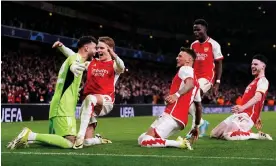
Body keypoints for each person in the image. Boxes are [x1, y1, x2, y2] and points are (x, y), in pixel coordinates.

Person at [7, 36, 98, 149]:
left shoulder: (74, 58)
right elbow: (74, 64)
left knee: (54, 141)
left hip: (58, 106)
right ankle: (30, 135)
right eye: (95, 48)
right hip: (64, 108)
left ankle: (29, 140)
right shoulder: (76, 59)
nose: (96, 51)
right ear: (86, 48)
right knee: (70, 142)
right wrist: (74, 68)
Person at [57, 36, 125, 149]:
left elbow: (122, 66)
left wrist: (113, 54)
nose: (98, 50)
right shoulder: (91, 63)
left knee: (90, 98)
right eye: (97, 48)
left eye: (102, 48)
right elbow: (76, 57)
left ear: (110, 49)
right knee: (87, 142)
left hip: (106, 101)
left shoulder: (114, 64)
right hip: (89, 104)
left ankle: (80, 136)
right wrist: (62, 47)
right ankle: (98, 139)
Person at [137, 47, 202, 150]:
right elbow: (198, 107)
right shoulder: (197, 81)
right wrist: (196, 126)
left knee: (145, 141)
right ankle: (176, 142)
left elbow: (189, 84)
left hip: (172, 115)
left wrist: (177, 95)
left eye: (180, 56)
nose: (177, 58)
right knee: (141, 139)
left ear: (188, 60)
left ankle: (180, 144)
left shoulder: (185, 69)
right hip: (180, 120)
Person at [210, 54, 273, 141]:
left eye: (255, 64)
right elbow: (261, 101)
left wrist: (243, 108)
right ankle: (243, 132)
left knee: (228, 135)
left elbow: (258, 98)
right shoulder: (254, 81)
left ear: (263, 66)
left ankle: (257, 135)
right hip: (240, 114)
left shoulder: (263, 81)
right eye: (252, 64)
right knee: (214, 134)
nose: (252, 66)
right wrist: (259, 116)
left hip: (247, 116)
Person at [187, 19, 224, 138]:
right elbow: (190, 62)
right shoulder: (193, 45)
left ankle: (194, 129)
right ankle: (202, 122)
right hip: (194, 77)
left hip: (207, 77)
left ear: (205, 30)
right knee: (187, 102)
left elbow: (219, 64)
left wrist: (217, 83)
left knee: (195, 95)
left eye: (198, 29)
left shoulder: (214, 44)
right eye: (194, 30)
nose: (196, 32)